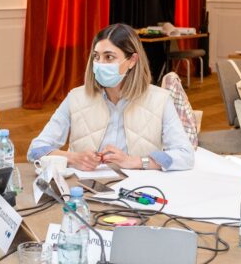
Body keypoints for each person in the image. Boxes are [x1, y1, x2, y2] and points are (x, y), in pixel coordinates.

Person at [28, 23, 194, 172]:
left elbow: (185, 155)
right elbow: (35, 150)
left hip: (140, 189)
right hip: (85, 189)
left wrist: (135, 161)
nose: (100, 64)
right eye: (96, 56)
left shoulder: (160, 100)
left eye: (109, 57)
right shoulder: (75, 98)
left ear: (132, 60)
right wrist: (73, 158)